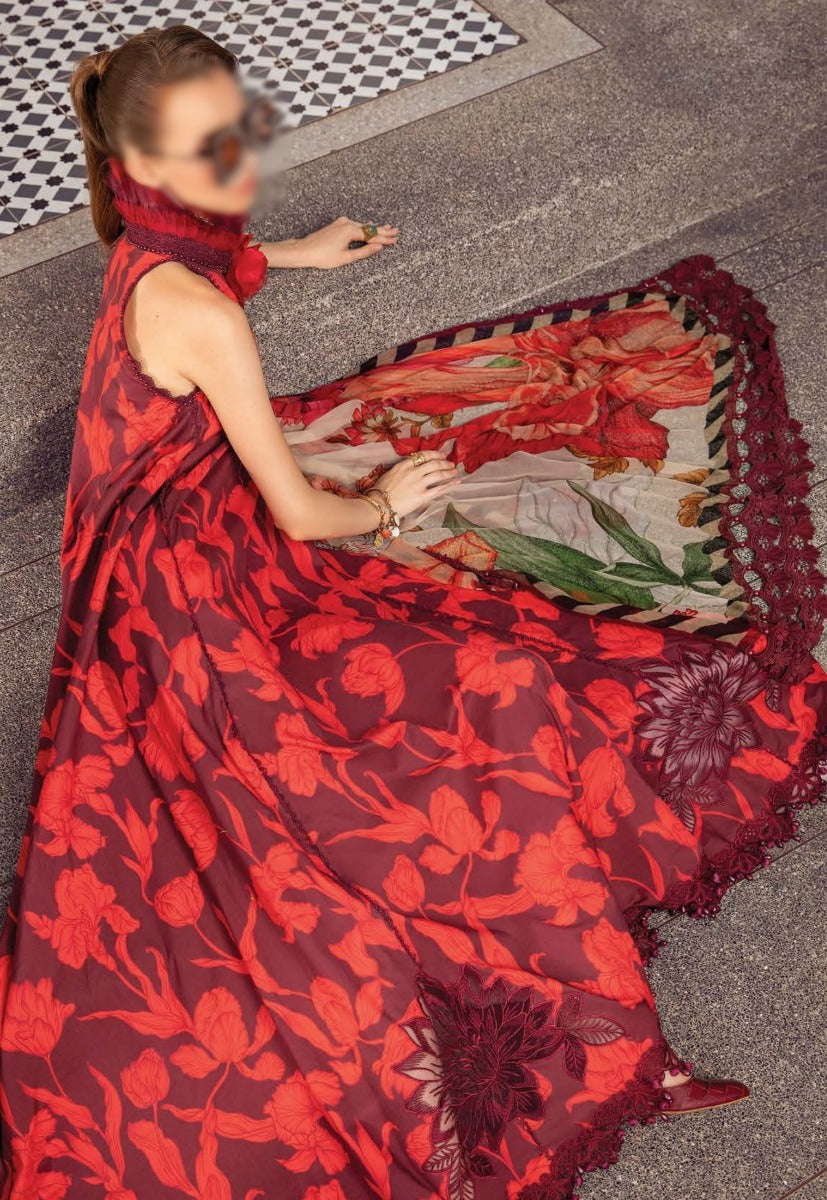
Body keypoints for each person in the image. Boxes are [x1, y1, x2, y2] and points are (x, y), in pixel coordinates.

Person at [0, 23, 823, 1200]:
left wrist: (293, 253)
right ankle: (587, 1031)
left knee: (475, 684)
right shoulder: (195, 309)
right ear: (147, 165)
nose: (237, 161)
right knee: (470, 703)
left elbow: (202, 280)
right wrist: (387, 503)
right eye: (206, 149)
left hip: (155, 564)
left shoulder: (146, 239)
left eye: (236, 130)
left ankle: (564, 958)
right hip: (200, 598)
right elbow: (300, 514)